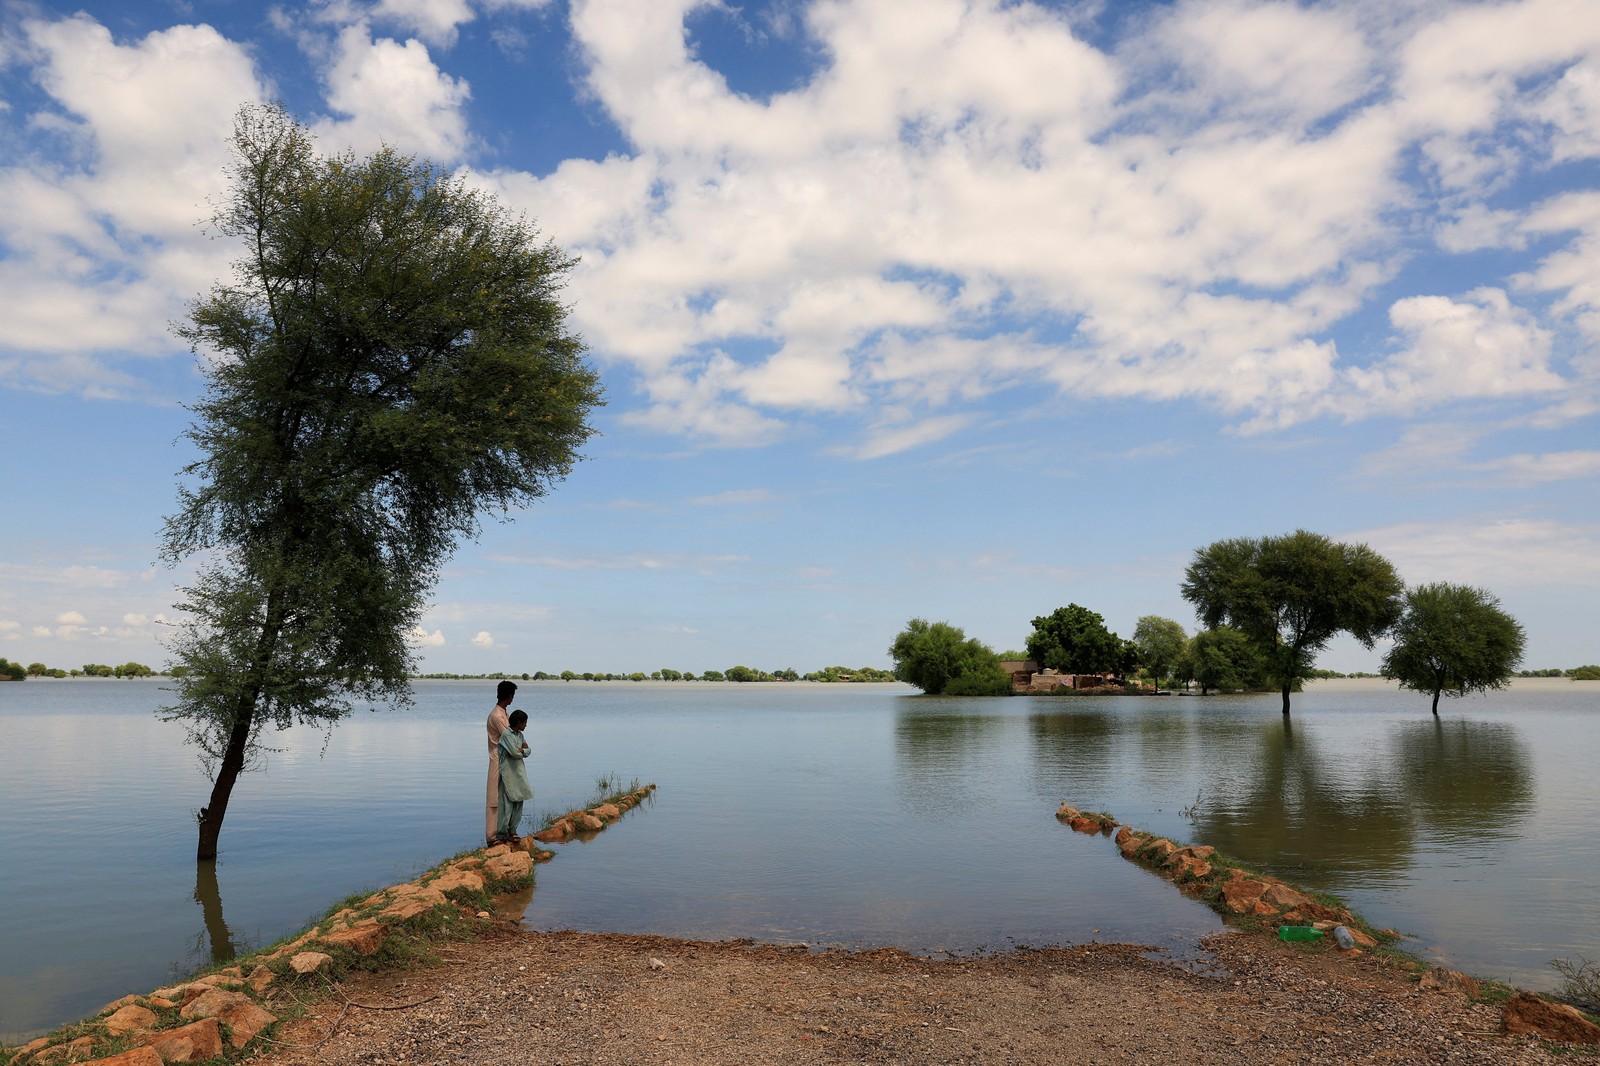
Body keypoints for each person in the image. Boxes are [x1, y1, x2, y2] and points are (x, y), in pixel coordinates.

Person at [485, 680, 515, 846]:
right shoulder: (497, 715)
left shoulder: (504, 712)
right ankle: (492, 836)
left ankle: (504, 831)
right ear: (509, 696)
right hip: (497, 759)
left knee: (506, 797)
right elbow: (508, 737)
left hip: (505, 759)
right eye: (512, 695)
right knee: (494, 798)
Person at [497, 709, 533, 844]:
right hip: (508, 774)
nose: (526, 726)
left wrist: (523, 749)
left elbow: (528, 751)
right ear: (519, 723)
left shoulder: (519, 735)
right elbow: (514, 753)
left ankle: (513, 831)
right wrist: (522, 750)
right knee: (506, 804)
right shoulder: (506, 735)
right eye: (525, 723)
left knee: (519, 801)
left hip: (519, 773)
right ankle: (502, 834)